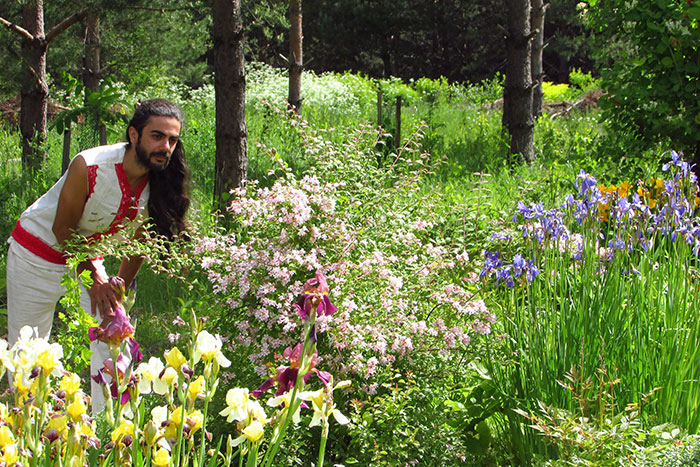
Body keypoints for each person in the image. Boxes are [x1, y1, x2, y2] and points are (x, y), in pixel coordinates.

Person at [5, 99, 191, 412]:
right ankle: (30, 439)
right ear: (134, 135)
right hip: (35, 257)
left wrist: (116, 286)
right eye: (157, 136)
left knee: (115, 337)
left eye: (172, 140)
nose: (166, 146)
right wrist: (94, 281)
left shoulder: (160, 183)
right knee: (28, 352)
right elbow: (62, 228)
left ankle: (109, 434)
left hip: (87, 260)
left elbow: (141, 244)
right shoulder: (90, 165)